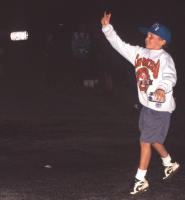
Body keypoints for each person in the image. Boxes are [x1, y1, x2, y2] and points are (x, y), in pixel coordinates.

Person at [101, 12, 180, 195]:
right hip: (147, 107)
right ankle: (169, 163)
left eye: (152, 36)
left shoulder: (165, 58)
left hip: (160, 109)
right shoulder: (139, 53)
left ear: (162, 42)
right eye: (147, 35)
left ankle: (140, 180)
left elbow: (170, 76)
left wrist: (162, 88)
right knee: (152, 139)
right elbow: (119, 45)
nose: (147, 38)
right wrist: (107, 28)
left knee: (145, 141)